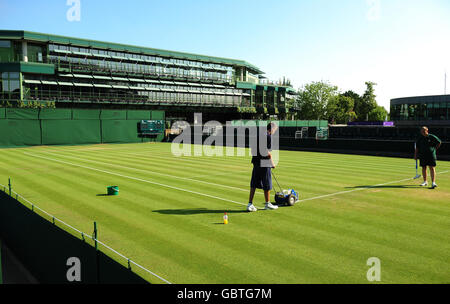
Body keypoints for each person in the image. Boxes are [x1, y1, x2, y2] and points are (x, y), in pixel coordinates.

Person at [247, 122, 278, 212]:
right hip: (264, 163)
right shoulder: (268, 136)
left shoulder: (259, 134)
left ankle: (250, 204)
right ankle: (267, 203)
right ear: (272, 129)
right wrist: (272, 163)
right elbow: (267, 152)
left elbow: (253, 149)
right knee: (267, 184)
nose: (274, 132)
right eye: (274, 130)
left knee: (254, 183)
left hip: (256, 161)